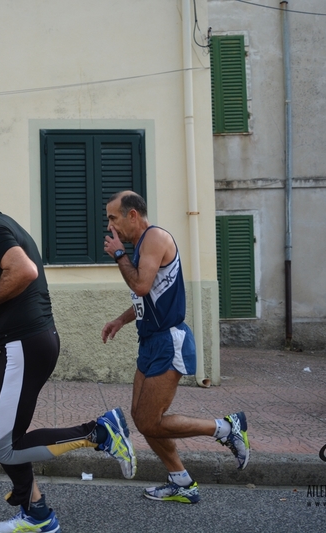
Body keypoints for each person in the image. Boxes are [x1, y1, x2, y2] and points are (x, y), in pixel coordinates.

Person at [0, 168, 137, 533]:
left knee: (5, 444)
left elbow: (23, 272)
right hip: (30, 342)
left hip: (25, 343)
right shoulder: (2, 224)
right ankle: (36, 512)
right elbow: (12, 281)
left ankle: (99, 433)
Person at [101, 190, 249, 504]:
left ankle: (225, 428)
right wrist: (120, 320)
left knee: (151, 420)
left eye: (113, 218)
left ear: (132, 215)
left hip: (170, 341)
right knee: (142, 418)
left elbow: (140, 284)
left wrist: (118, 255)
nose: (111, 227)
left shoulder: (154, 238)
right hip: (151, 341)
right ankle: (180, 480)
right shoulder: (142, 246)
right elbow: (148, 294)